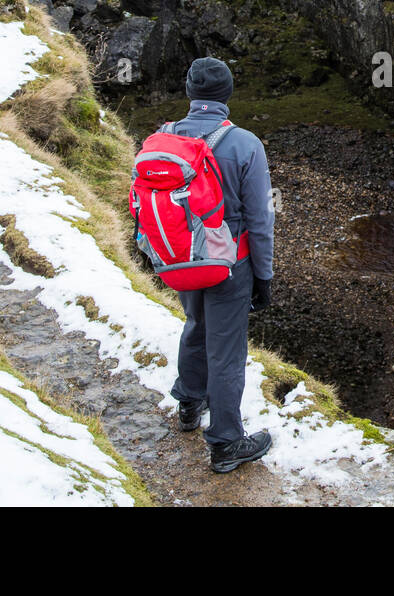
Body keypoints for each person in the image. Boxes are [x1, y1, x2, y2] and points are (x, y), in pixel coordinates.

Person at [166, 56, 275, 474]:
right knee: (227, 351)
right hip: (231, 264)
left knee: (195, 325)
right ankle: (227, 443)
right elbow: (260, 221)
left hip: (181, 259)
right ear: (227, 96)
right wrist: (263, 276)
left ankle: (190, 404)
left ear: (191, 94)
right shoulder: (245, 144)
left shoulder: (165, 136)